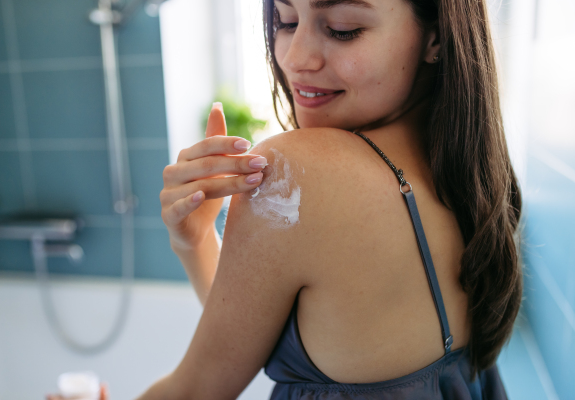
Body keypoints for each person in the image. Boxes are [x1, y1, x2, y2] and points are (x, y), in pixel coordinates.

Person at [102, 0, 524, 398]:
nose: (295, 57)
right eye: (285, 20)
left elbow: (195, 391)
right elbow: (254, 339)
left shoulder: (295, 172)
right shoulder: (471, 178)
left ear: (436, 35)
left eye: (343, 30)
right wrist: (196, 242)